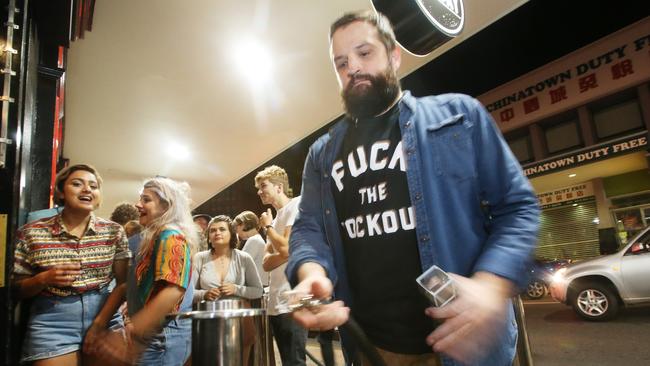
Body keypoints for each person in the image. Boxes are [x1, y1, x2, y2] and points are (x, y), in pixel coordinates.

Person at [286, 10, 540, 366]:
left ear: (394, 56)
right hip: (375, 349)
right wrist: (311, 273)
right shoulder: (322, 154)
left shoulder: (459, 116)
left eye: (364, 53)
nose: (353, 68)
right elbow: (308, 228)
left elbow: (518, 207)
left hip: (469, 345)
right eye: (341, 62)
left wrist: (490, 285)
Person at [11, 164, 130, 365]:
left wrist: (99, 325)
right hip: (53, 320)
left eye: (93, 186)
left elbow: (123, 284)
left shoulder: (114, 231)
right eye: (77, 184)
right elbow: (16, 289)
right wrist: (43, 279)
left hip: (105, 314)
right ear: (61, 192)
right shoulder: (32, 232)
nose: (87, 190)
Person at [89, 176, 198, 364]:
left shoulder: (170, 236)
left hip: (160, 337)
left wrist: (131, 330)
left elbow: (173, 290)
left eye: (146, 200)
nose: (137, 205)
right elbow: (127, 287)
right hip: (151, 336)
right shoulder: (153, 238)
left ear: (166, 206)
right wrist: (100, 324)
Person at [193, 215, 263, 365]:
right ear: (208, 236)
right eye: (213, 230)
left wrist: (236, 289)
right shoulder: (199, 258)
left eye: (222, 229)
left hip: (239, 321)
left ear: (231, 233)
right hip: (208, 322)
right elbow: (188, 293)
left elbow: (258, 290)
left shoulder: (244, 258)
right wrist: (204, 293)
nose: (217, 233)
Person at [255, 165, 308, 366]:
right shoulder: (276, 218)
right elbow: (266, 263)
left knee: (295, 362)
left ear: (279, 187)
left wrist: (268, 228)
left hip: (293, 299)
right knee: (287, 362)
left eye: (263, 186)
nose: (259, 191)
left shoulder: (297, 204)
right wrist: (282, 248)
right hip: (276, 303)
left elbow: (285, 250)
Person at [234, 210, 270, 287]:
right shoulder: (256, 239)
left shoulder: (254, 240)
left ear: (243, 225)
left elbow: (239, 265)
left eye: (237, 227)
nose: (237, 232)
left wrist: (235, 244)